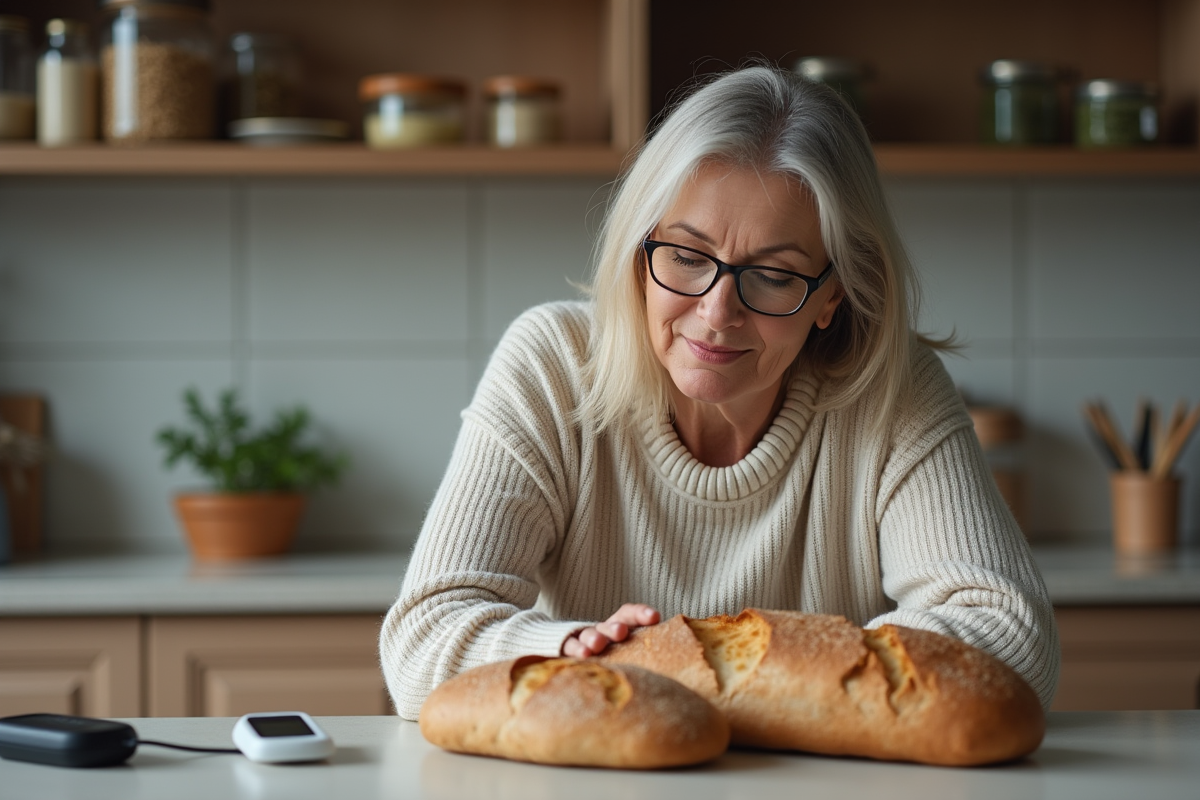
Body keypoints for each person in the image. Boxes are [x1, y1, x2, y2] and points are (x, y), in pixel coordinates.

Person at [380, 65, 1059, 720]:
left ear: (832, 295)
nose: (716, 311)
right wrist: (573, 652)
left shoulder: (892, 388)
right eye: (685, 255)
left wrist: (675, 667)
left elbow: (1014, 643)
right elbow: (420, 646)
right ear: (637, 254)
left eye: (772, 274)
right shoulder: (552, 363)